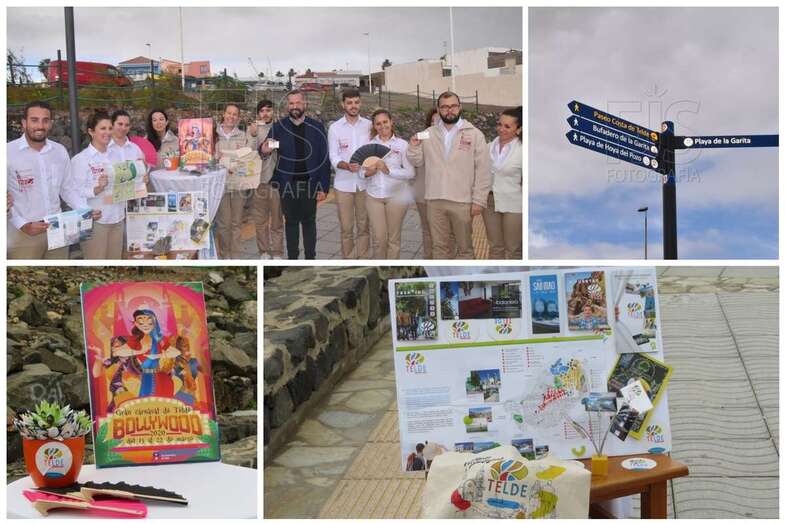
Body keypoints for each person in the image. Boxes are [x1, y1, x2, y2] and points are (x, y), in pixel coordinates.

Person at [7, 101, 99, 259]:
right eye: (34, 120)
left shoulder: (59, 151)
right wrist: (22, 224)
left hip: (57, 229)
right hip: (23, 234)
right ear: (24, 122)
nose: (40, 125)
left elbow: (67, 188)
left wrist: (84, 209)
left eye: (45, 120)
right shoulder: (8, 152)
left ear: (50, 123)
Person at [407, 91, 491, 259]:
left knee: (465, 248)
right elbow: (417, 161)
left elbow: (483, 170)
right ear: (438, 110)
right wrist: (414, 146)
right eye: (444, 107)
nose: (449, 110)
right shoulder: (428, 133)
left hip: (462, 201)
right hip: (435, 200)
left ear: (460, 107)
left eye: (453, 106)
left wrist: (479, 200)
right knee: (439, 247)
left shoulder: (474, 134)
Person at [261, 90, 330, 260]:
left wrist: (324, 187)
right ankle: (292, 259)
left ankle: (310, 258)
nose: (295, 106)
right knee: (290, 223)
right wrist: (264, 150)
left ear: (305, 104)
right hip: (288, 185)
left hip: (310, 184)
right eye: (291, 103)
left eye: (298, 103)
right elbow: (268, 149)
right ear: (287, 106)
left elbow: (324, 158)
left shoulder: (317, 128)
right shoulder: (279, 128)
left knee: (309, 223)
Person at [72, 110, 139, 259]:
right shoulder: (81, 159)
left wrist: (140, 177)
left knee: (114, 265)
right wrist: (96, 189)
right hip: (95, 221)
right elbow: (73, 192)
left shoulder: (115, 155)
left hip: (118, 218)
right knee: (96, 267)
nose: (108, 132)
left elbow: (125, 184)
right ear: (91, 131)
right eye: (103, 128)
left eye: (110, 128)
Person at [363, 109, 414, 259]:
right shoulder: (369, 145)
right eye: (378, 124)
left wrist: (388, 170)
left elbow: (410, 173)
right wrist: (368, 172)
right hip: (374, 196)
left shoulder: (402, 145)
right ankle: (378, 270)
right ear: (374, 126)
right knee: (379, 239)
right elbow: (361, 171)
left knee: (393, 239)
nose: (382, 126)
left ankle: (392, 270)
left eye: (385, 122)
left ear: (391, 122)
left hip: (396, 197)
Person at [328, 89, 372, 259]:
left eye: (356, 102)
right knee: (346, 228)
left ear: (360, 103)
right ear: (343, 104)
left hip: (364, 184)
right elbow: (333, 155)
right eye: (349, 103)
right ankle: (348, 260)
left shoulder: (369, 125)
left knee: (364, 227)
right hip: (343, 185)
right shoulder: (335, 128)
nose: (353, 106)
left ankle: (363, 259)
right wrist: (346, 165)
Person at [214, 103, 258, 258]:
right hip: (220, 186)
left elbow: (249, 154)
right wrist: (216, 158)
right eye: (229, 113)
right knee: (224, 223)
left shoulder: (242, 135)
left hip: (238, 185)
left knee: (236, 223)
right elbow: (206, 157)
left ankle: (237, 256)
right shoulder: (213, 134)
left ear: (238, 118)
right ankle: (225, 255)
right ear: (223, 114)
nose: (231, 117)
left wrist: (252, 136)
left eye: (235, 114)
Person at [482, 106, 522, 259]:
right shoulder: (488, 147)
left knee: (513, 249)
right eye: (499, 124)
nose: (501, 129)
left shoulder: (523, 150)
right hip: (490, 202)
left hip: (514, 205)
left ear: (518, 129)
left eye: (507, 126)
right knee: (495, 247)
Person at [247, 99, 284, 259]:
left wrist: (271, 145)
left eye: (268, 110)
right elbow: (248, 152)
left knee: (276, 221)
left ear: (273, 112)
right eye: (262, 111)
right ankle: (263, 251)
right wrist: (254, 136)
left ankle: (277, 252)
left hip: (275, 181)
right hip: (258, 182)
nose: (265, 113)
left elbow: (280, 147)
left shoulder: (281, 128)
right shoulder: (252, 129)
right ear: (258, 113)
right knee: (260, 221)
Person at [412, 108, 438, 259]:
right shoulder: (421, 137)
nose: (436, 124)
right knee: (427, 230)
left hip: (443, 194)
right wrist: (415, 146)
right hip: (423, 193)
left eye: (439, 121)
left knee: (446, 231)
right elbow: (415, 159)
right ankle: (429, 257)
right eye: (433, 121)